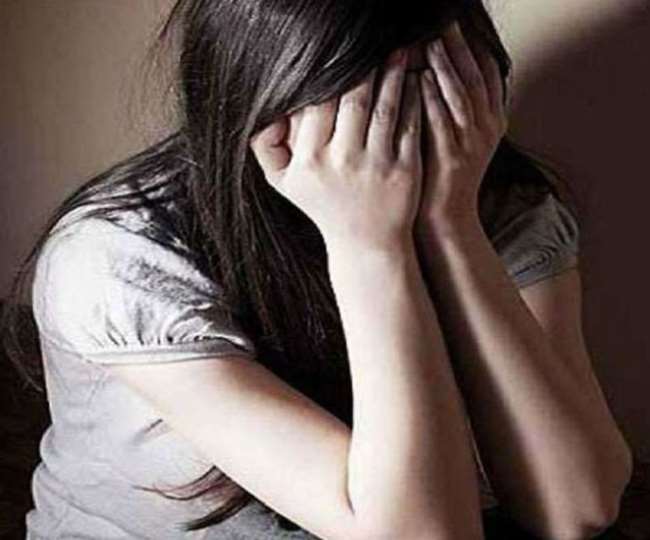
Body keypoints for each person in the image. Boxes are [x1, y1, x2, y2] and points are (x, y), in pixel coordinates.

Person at [0, 0, 632, 538]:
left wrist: (451, 224)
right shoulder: (121, 256)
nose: (399, 133)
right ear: (268, 98)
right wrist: (368, 245)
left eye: (439, 89)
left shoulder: (502, 208)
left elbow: (575, 509)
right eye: (365, 107)